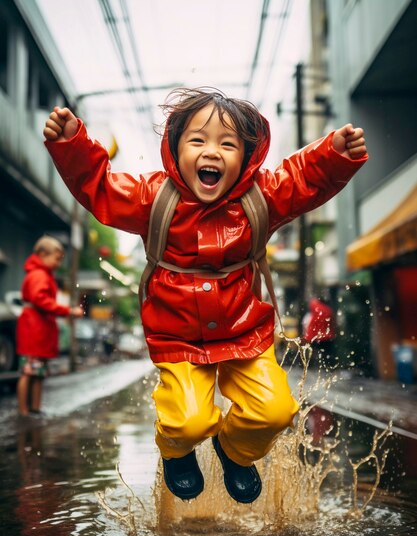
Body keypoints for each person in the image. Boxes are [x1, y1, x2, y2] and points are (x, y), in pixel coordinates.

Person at [43, 87, 368, 503]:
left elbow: (301, 179)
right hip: (177, 337)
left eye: (227, 144)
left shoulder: (260, 197)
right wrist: (73, 145)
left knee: (275, 411)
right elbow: (101, 187)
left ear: (246, 157)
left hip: (244, 332)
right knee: (187, 422)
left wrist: (334, 154)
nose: (212, 152)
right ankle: (176, 451)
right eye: (198, 140)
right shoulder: (153, 198)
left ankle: (234, 452)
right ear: (175, 150)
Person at [16, 236, 83, 418]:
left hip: (37, 328)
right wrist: (67, 310)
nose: (58, 263)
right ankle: (25, 410)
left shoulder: (41, 274)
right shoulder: (39, 275)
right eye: (57, 258)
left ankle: (34, 409)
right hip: (34, 329)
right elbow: (41, 300)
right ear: (42, 254)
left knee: (37, 371)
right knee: (30, 371)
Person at [302, 297, 337, 369]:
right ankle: (329, 368)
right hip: (327, 336)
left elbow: (306, 323)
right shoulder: (329, 310)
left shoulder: (314, 308)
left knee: (312, 353)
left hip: (314, 336)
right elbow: (333, 324)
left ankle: (311, 367)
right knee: (327, 354)